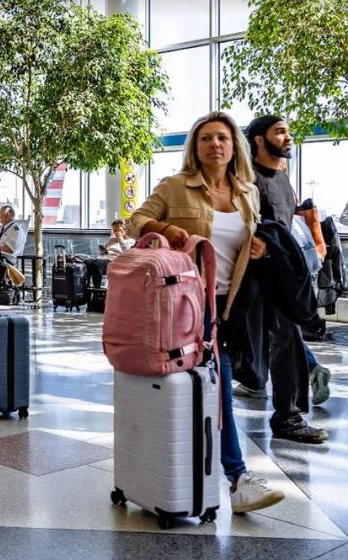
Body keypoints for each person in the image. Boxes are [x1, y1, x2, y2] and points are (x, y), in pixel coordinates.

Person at [127, 111, 285, 513]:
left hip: (230, 306)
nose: (215, 145)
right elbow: (135, 222)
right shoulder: (176, 186)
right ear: (195, 148)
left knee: (213, 389)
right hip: (186, 306)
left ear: (235, 147)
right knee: (218, 389)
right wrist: (165, 230)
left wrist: (261, 246)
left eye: (222, 138)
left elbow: (253, 237)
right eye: (206, 139)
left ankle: (198, 473)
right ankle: (237, 478)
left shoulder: (247, 191)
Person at [237, 115, 329, 443]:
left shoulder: (281, 177)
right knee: (258, 351)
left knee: (287, 344)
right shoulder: (247, 181)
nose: (288, 137)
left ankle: (287, 417)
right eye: (280, 132)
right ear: (259, 140)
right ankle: (283, 415)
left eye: (288, 131)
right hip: (255, 281)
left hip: (281, 277)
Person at [85, 219, 135, 288]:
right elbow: (105, 251)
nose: (115, 233)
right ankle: (85, 289)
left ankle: (97, 288)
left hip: (116, 261)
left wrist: (120, 239)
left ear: (125, 229)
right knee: (87, 262)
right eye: (114, 231)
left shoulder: (131, 241)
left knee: (96, 263)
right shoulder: (113, 238)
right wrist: (104, 250)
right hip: (105, 258)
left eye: (118, 230)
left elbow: (127, 253)